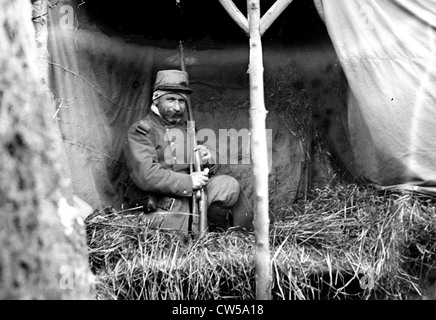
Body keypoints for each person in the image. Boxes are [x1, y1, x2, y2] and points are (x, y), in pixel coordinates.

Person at [122, 69, 253, 233]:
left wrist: (206, 159)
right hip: (164, 207)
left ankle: (222, 238)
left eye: (181, 101)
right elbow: (146, 175)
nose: (177, 107)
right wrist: (189, 182)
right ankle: (195, 235)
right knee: (173, 232)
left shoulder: (187, 130)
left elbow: (204, 168)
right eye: (170, 99)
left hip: (195, 200)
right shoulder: (141, 132)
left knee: (228, 186)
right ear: (156, 99)